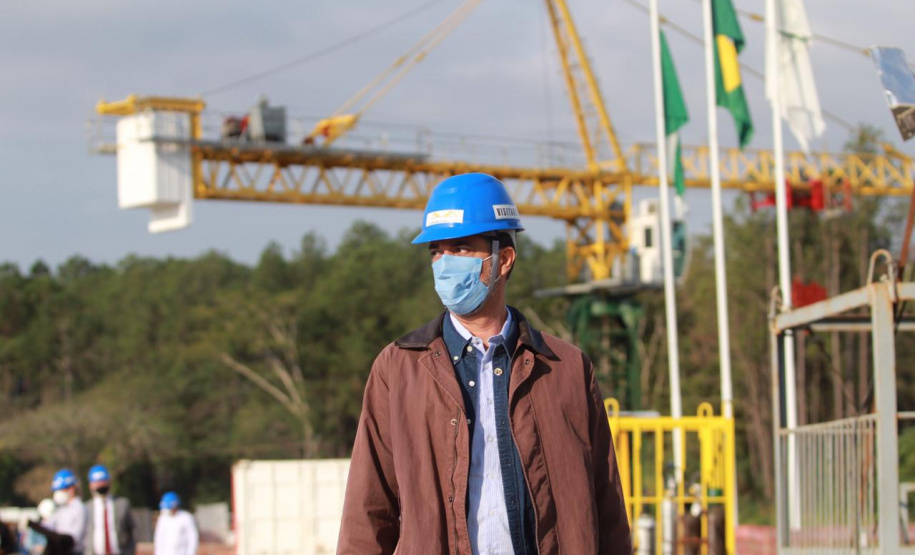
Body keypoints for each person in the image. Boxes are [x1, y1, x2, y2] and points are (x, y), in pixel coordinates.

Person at [337, 173, 631, 554]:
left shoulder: (566, 369)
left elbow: (608, 510)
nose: (444, 264)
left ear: (504, 259)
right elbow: (368, 511)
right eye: (436, 252)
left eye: (459, 249)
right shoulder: (398, 369)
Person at [83, 465, 135, 555]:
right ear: (90, 485)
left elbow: (132, 531)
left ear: (109, 482)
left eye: (102, 481)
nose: (100, 485)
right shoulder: (86, 507)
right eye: (97, 482)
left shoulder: (122, 504)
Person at [46, 470, 86, 554]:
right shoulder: (60, 509)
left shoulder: (80, 508)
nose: (57, 493)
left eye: (60, 490)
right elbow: (48, 526)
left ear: (71, 489)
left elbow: (73, 538)